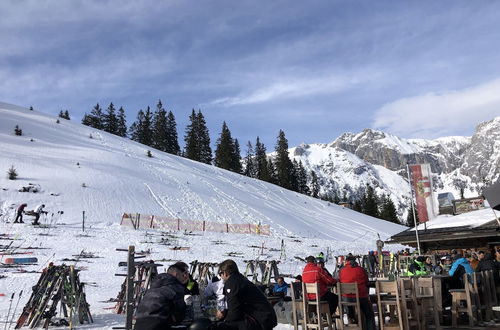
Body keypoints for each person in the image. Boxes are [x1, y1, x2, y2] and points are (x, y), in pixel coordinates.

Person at [216, 259, 277, 330]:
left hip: (259, 320)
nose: (221, 276)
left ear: (225, 273)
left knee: (221, 326)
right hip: (265, 317)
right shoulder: (240, 279)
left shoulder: (232, 282)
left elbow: (234, 312)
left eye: (220, 273)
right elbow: (237, 306)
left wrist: (224, 319)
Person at [135, 262, 189, 330]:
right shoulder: (175, 287)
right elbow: (180, 314)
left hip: (139, 326)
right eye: (184, 273)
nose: (186, 276)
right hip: (159, 326)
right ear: (176, 274)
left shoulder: (153, 288)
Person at [339, 255, 376, 330]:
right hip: (360, 297)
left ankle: (351, 320)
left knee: (350, 309)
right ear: (355, 261)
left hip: (347, 298)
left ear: (346, 261)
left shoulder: (341, 270)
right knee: (369, 315)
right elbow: (366, 281)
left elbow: (339, 280)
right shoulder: (361, 270)